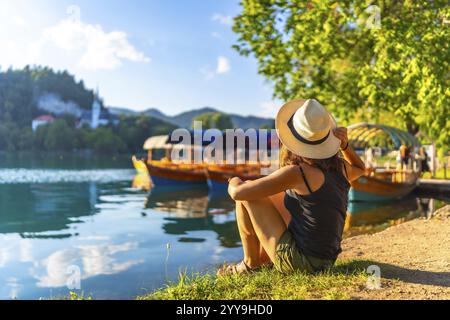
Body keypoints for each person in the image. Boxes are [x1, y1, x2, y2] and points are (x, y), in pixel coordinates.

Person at [218, 99, 365, 275]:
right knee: (277, 196)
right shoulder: (340, 167)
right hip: (326, 260)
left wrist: (234, 180)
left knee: (248, 192)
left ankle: (250, 265)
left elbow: (237, 193)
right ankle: (262, 259)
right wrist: (345, 145)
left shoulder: (298, 172)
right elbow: (360, 168)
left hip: (302, 264)